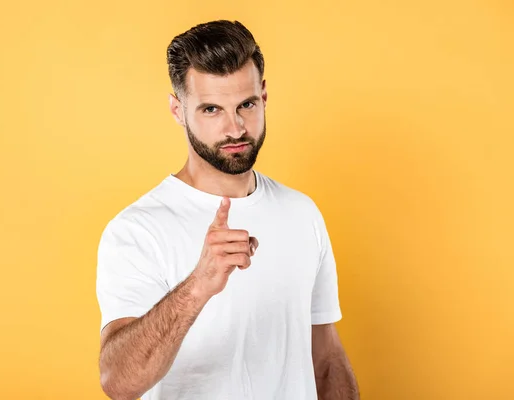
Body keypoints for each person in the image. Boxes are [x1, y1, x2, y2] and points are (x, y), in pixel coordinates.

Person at [96, 19, 359, 400]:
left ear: (264, 96)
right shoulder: (137, 230)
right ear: (177, 109)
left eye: (246, 105)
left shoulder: (302, 213)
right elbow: (119, 382)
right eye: (211, 110)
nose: (235, 128)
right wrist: (198, 286)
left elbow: (326, 360)